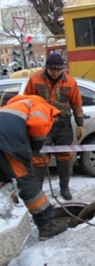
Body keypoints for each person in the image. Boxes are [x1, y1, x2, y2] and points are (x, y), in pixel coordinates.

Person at [0, 94, 72, 240]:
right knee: (27, 180)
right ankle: (46, 224)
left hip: (5, 140)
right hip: (7, 143)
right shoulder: (41, 105)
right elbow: (38, 125)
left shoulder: (13, 106)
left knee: (3, 177)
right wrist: (35, 147)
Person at [24, 53, 85, 200]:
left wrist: (80, 124)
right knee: (39, 158)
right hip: (42, 126)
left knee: (64, 157)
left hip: (62, 125)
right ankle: (37, 190)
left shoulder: (70, 82)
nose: (56, 73)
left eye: (59, 70)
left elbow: (76, 104)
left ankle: (64, 188)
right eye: (53, 70)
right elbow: (26, 101)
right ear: (47, 68)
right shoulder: (35, 80)